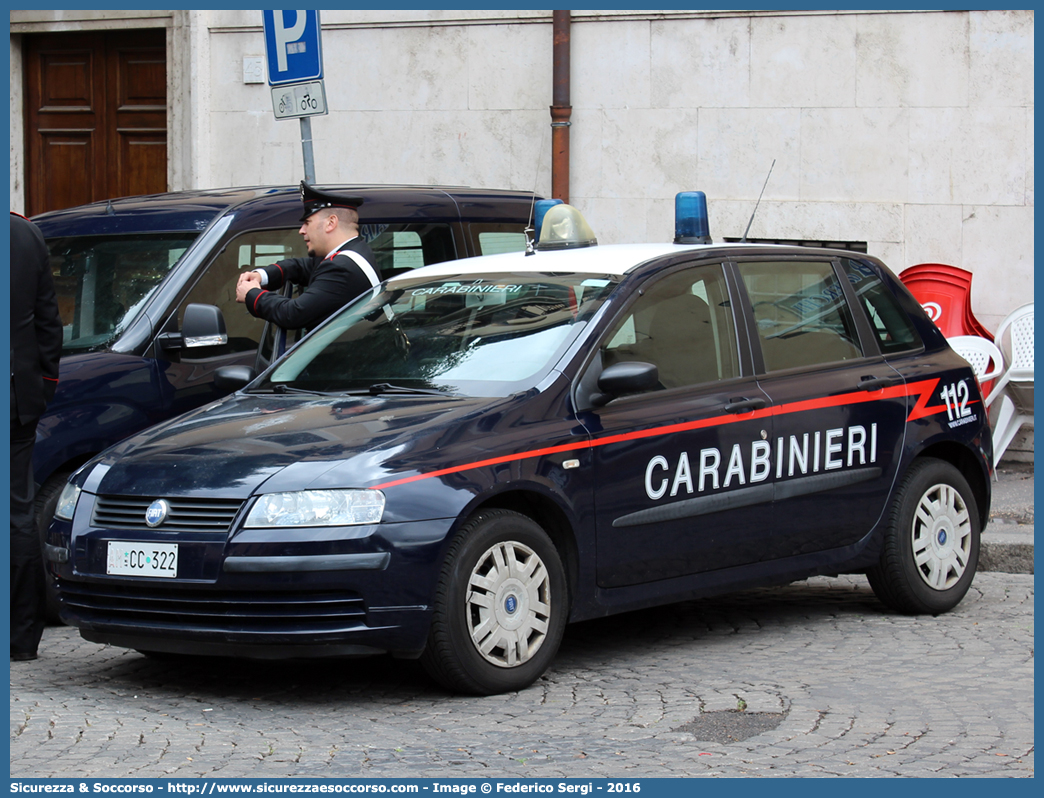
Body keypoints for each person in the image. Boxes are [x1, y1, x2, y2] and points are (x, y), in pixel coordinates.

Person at [10, 211, 63, 662]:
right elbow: (49, 320)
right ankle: (21, 637)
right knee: (17, 514)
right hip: (16, 396)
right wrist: (43, 384)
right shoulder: (24, 232)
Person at [236, 181, 380, 332]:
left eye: (307, 222)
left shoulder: (341, 268)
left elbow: (292, 314)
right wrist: (262, 276)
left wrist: (251, 294)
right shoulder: (351, 252)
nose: (302, 230)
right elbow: (300, 267)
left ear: (331, 223)